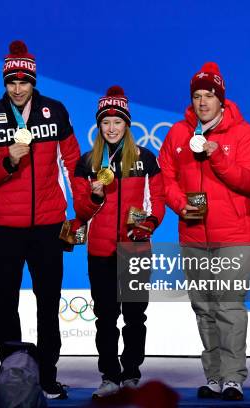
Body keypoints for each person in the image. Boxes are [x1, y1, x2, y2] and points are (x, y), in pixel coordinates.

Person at [0, 40, 80, 400]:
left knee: (49, 302)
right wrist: (8, 161)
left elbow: (73, 164)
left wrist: (79, 215)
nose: (17, 89)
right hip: (4, 229)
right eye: (11, 82)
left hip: (49, 225)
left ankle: (47, 376)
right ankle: (12, 374)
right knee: (5, 303)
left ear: (33, 81)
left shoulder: (55, 111)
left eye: (24, 81)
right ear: (5, 83)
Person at [158, 62, 250, 401]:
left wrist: (218, 157)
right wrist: (178, 204)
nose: (203, 102)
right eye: (197, 96)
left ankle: (233, 377)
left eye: (209, 96)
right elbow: (165, 179)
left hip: (234, 235)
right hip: (193, 234)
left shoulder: (243, 133)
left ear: (221, 99)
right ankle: (214, 375)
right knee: (204, 308)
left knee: (229, 306)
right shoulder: (177, 133)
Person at [72, 86, 165, 398]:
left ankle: (131, 373)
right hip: (100, 251)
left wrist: (147, 226)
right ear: (98, 126)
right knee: (106, 318)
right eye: (106, 123)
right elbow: (82, 211)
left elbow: (157, 203)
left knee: (136, 316)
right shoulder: (86, 163)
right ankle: (109, 375)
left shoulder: (146, 159)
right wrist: (94, 196)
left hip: (136, 250)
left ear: (127, 125)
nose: (111, 128)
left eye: (117, 122)